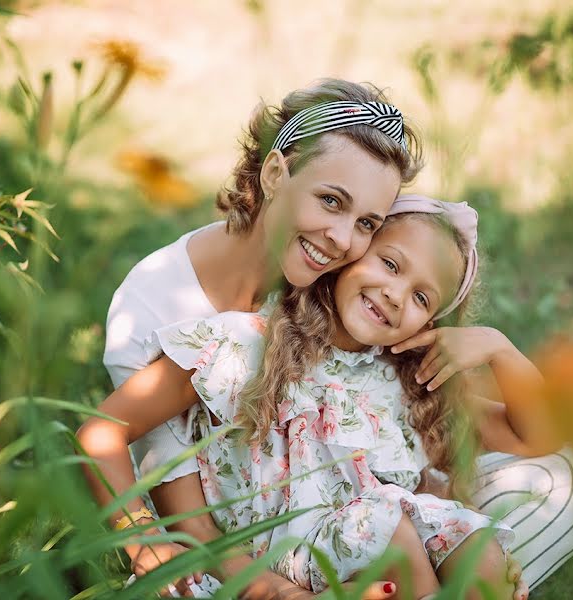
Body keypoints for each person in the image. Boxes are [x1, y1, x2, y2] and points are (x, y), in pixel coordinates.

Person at [81, 196, 536, 599]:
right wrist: (139, 538)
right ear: (350, 255)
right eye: (390, 264)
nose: (396, 295)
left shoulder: (404, 382)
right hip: (271, 560)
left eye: (421, 297)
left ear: (431, 324)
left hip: (359, 562)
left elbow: (533, 435)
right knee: (391, 534)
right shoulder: (240, 345)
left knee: (479, 550)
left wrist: (499, 346)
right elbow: (101, 431)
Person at [102, 78, 422, 598]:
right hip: (226, 553)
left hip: (319, 525)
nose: (343, 240)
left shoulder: (329, 289)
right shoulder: (156, 304)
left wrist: (482, 345)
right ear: (276, 172)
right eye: (330, 201)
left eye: (366, 222)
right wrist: (139, 541)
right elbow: (185, 511)